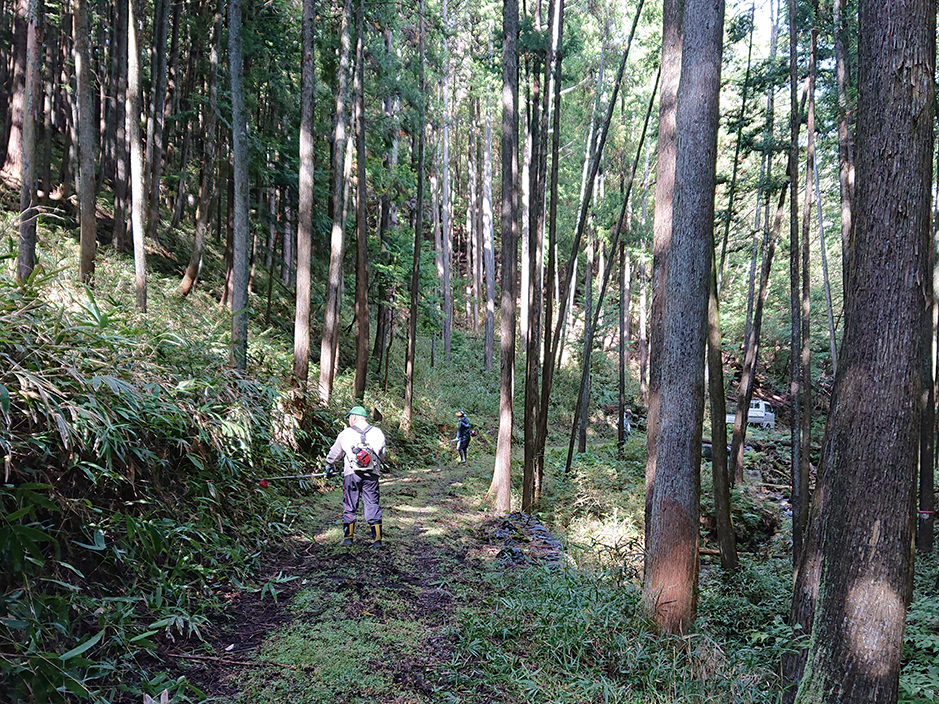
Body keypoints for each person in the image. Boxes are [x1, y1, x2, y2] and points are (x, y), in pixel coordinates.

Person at [325, 406, 386, 547]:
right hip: (372, 474)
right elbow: (382, 454)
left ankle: (348, 538)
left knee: (350, 504)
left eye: (349, 418)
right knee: (372, 503)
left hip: (351, 474)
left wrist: (329, 465)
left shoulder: (346, 433)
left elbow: (334, 453)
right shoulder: (377, 432)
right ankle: (377, 539)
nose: (348, 421)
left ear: (353, 418)